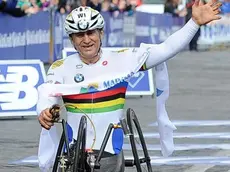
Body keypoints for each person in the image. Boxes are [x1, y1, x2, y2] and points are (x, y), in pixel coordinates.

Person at [37, 2, 222, 172]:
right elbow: (47, 94)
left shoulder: (122, 59)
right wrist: (45, 111)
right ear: (72, 39)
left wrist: (194, 23)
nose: (86, 40)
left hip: (109, 154)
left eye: (91, 33)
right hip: (73, 154)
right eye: (79, 35)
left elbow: (165, 50)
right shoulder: (60, 67)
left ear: (101, 33)